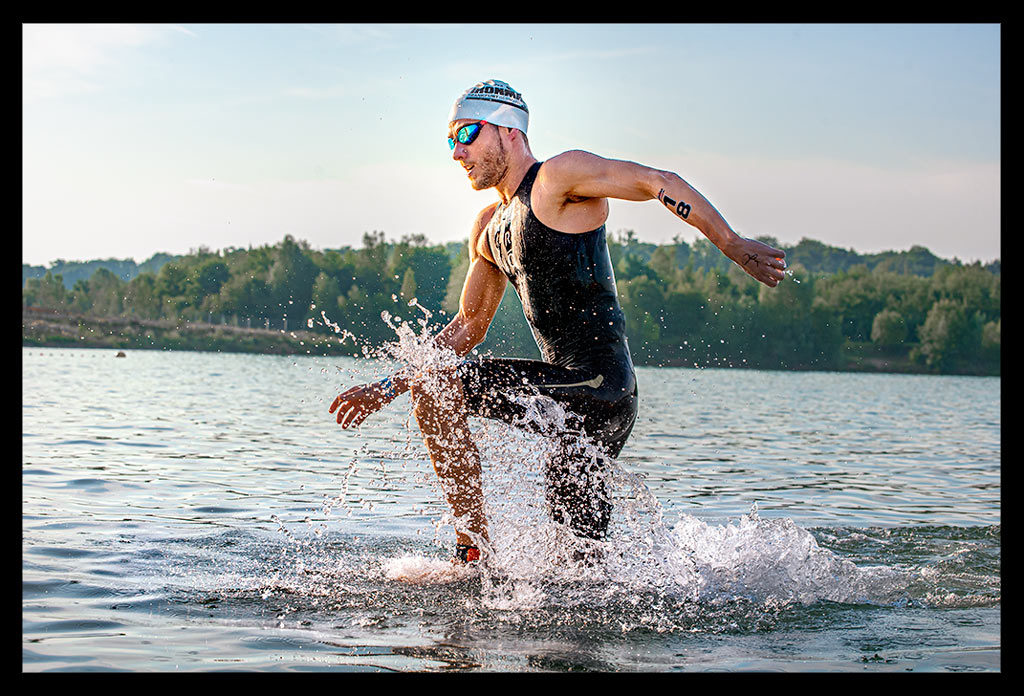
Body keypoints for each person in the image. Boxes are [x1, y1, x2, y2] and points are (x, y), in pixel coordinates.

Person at [330, 79, 786, 564]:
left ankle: (472, 551)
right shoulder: (488, 228)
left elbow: (657, 181)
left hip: (600, 386)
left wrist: (731, 243)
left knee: (438, 388)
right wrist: (388, 384)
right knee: (581, 570)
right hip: (568, 397)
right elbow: (468, 327)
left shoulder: (557, 179)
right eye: (448, 141)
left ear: (508, 130)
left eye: (466, 134)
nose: (456, 153)